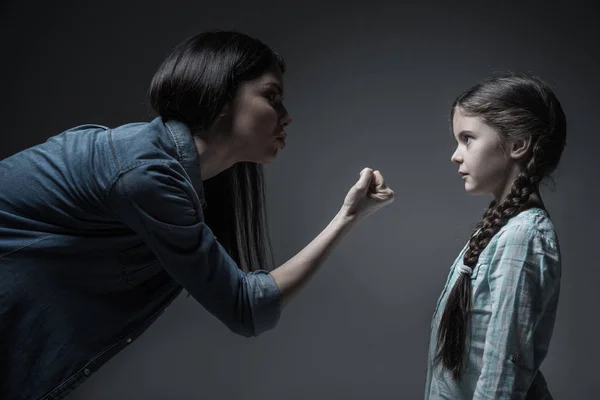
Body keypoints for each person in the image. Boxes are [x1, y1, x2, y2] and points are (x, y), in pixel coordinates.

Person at [0, 30, 395, 400]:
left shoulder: (170, 173)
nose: (286, 115)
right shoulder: (145, 173)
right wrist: (347, 217)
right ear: (220, 97)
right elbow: (247, 309)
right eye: (272, 97)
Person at [424, 73, 566, 399]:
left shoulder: (524, 236)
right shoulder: (503, 229)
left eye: (468, 139)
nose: (455, 155)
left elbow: (502, 376)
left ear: (517, 144)